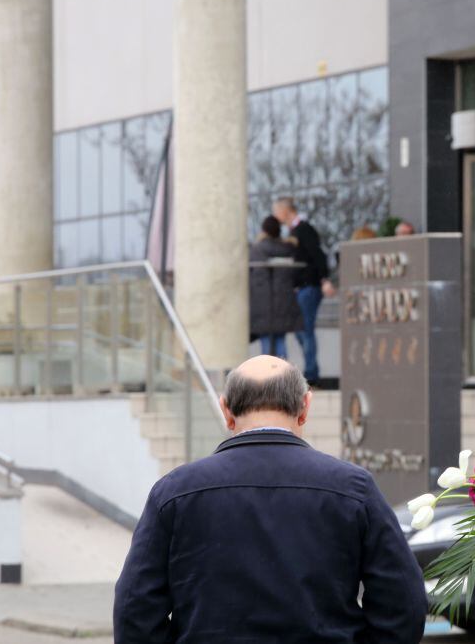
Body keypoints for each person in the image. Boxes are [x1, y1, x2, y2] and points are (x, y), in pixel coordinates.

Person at [114, 356, 427, 643]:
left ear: (226, 411)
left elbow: (135, 608)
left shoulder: (174, 492)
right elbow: (404, 602)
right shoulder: (353, 489)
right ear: (305, 407)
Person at [272, 197, 328, 384]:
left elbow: (317, 254)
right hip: (301, 289)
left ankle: (312, 374)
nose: (275, 215)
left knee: (305, 329)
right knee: (300, 330)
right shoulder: (295, 231)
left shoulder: (304, 229)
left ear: (285, 211)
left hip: (309, 287)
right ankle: (311, 371)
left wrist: (324, 279)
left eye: (276, 211)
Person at [249, 216, 301, 359]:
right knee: (280, 342)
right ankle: (285, 379)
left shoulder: (256, 250)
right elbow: (295, 277)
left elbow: (250, 277)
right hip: (283, 304)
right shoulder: (288, 250)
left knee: (266, 344)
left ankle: (267, 380)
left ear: (264, 231)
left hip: (262, 304)